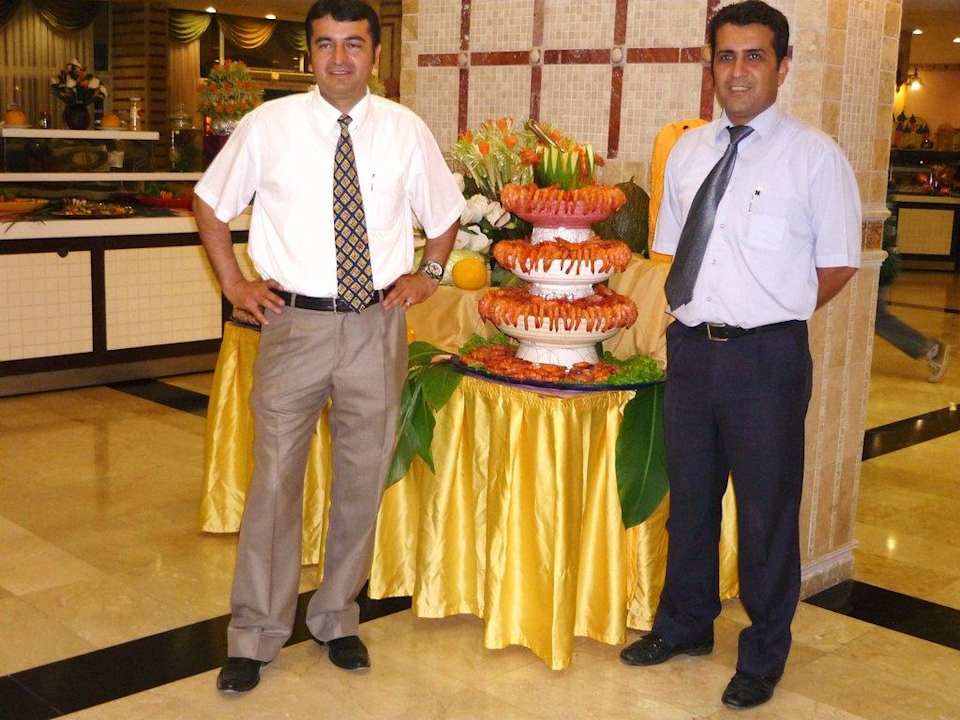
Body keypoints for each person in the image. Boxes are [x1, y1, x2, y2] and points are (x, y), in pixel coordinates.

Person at [193, 0, 464, 694]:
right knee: (274, 481)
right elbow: (210, 204)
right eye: (325, 44)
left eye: (353, 44)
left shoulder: (404, 130)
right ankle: (255, 633)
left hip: (376, 325)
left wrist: (430, 274)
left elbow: (444, 214)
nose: (339, 58)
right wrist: (233, 283)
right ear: (308, 53)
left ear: (375, 54)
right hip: (295, 325)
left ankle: (338, 617)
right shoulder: (269, 125)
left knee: (360, 479)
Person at [619, 0, 861, 710]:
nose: (738, 71)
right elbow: (675, 250)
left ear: (783, 66)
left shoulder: (815, 157)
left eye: (755, 56)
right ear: (712, 66)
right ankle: (685, 625)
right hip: (693, 351)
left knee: (765, 513)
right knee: (690, 502)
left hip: (767, 360)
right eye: (726, 56)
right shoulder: (689, 151)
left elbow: (839, 263)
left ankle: (762, 655)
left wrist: (773, 310)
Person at [875, 216, 949, 381]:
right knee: (873, 316)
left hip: (878, 266)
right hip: (882, 264)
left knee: (876, 317)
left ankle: (930, 349)